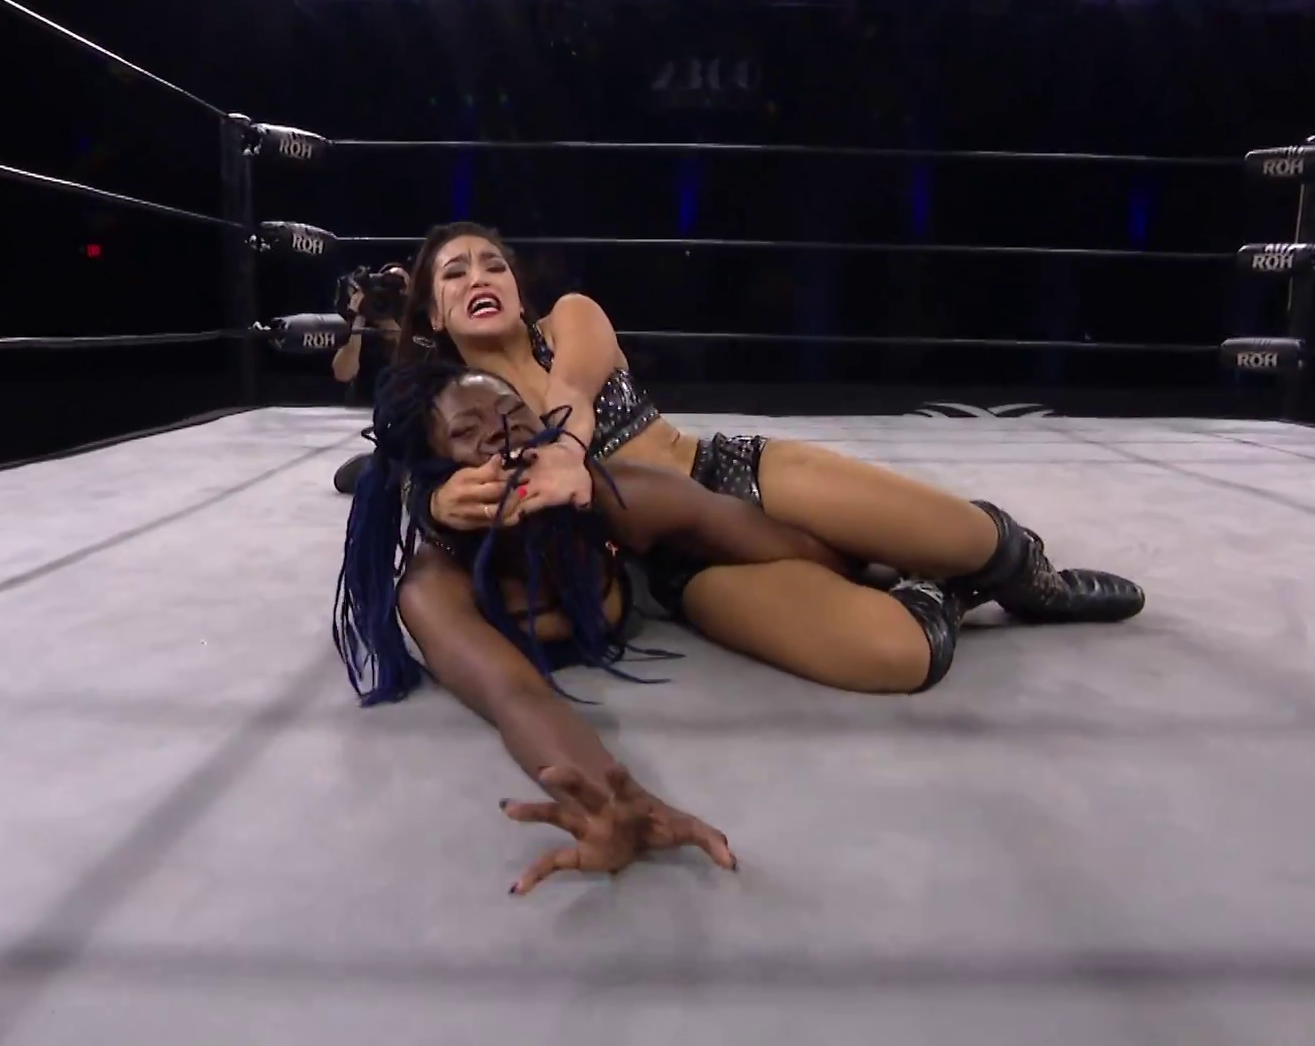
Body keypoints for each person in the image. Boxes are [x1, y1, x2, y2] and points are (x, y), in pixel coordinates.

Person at [391, 221, 1145, 689]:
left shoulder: (571, 319)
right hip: (679, 560)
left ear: (516, 287)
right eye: (455, 273)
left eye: (492, 264)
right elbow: (397, 474)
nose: (479, 277)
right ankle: (941, 591)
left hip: (732, 473)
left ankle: (1032, 581)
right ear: (432, 313)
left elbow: (572, 391)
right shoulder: (449, 411)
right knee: (897, 656)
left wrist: (566, 452)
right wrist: (431, 501)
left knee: (970, 536)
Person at [339, 359, 930, 892]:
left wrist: (903, 559)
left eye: (515, 415)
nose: (505, 437)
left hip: (669, 532)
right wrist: (614, 802)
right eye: (469, 432)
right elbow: (514, 696)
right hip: (448, 503)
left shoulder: (610, 496)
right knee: (377, 475)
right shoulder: (435, 587)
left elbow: (786, 544)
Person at [328, 264, 409, 494]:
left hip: (413, 423)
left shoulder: (422, 324)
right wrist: (360, 319)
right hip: (377, 417)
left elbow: (414, 360)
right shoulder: (364, 327)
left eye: (399, 286)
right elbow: (343, 373)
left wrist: (390, 326)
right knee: (346, 479)